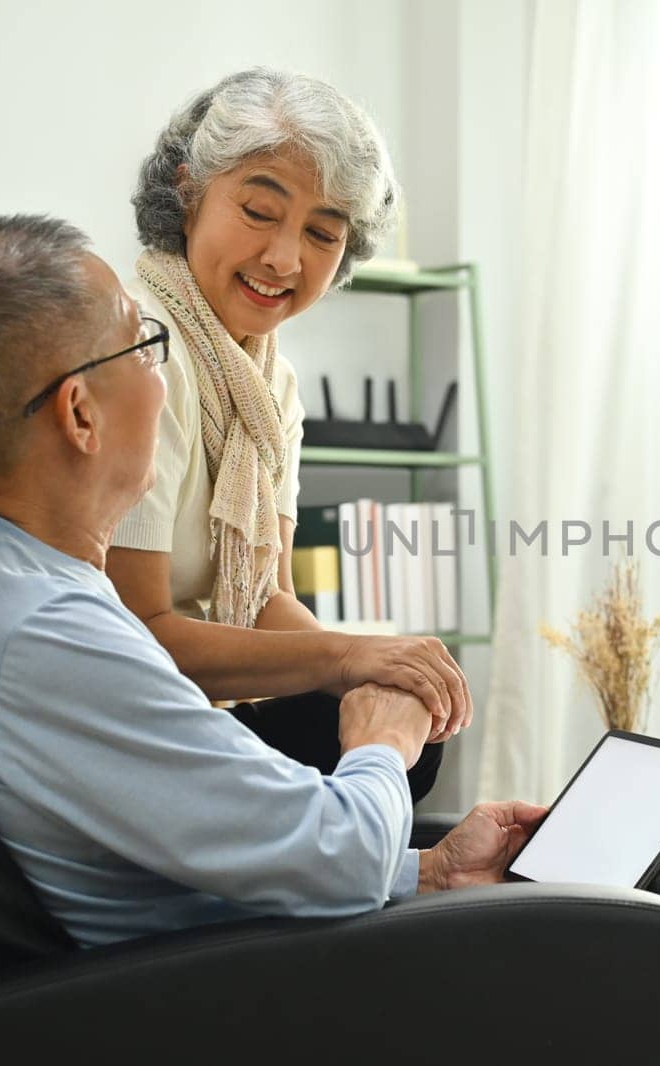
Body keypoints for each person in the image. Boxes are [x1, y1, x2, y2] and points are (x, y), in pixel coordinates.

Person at [0, 215, 660, 1065]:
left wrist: (440, 866)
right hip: (282, 996)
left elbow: (240, 842)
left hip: (252, 951)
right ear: (79, 413)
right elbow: (329, 859)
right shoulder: (49, 638)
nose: (163, 369)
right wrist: (378, 738)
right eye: (143, 345)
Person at [106, 67, 463, 803]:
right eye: (260, 211)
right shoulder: (138, 350)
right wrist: (348, 659)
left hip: (210, 715)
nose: (283, 258)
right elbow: (138, 632)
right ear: (188, 192)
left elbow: (269, 600)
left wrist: (377, 672)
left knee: (410, 735)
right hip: (127, 727)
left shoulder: (273, 383)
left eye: (322, 233)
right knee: (369, 732)